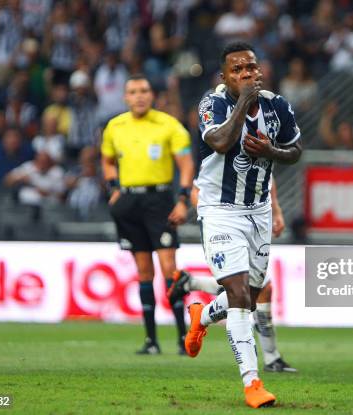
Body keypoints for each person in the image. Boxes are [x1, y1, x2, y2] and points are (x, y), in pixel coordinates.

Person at [183, 42, 302, 408]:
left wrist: (271, 152)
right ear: (225, 77)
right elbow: (219, 142)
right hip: (220, 210)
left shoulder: (277, 105)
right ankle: (252, 383)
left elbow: (295, 151)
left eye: (251, 67)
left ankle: (204, 313)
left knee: (249, 297)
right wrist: (242, 103)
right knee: (237, 292)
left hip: (259, 212)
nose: (246, 74)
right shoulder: (213, 103)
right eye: (237, 70)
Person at [101, 74, 194, 355]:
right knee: (143, 271)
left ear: (152, 95)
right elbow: (106, 160)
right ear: (125, 97)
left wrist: (182, 199)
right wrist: (114, 187)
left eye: (144, 90)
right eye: (133, 91)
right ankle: (151, 341)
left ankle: (182, 339)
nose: (139, 95)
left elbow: (186, 164)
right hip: (129, 202)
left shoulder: (169, 126)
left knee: (169, 268)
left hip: (160, 200)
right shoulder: (114, 127)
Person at [168, 177, 297, 373]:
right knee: (251, 288)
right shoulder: (222, 150)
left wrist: (276, 210)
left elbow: (268, 178)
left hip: (254, 222)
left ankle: (193, 288)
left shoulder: (263, 148)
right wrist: (214, 215)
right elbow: (198, 188)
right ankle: (269, 360)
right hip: (224, 225)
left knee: (253, 290)